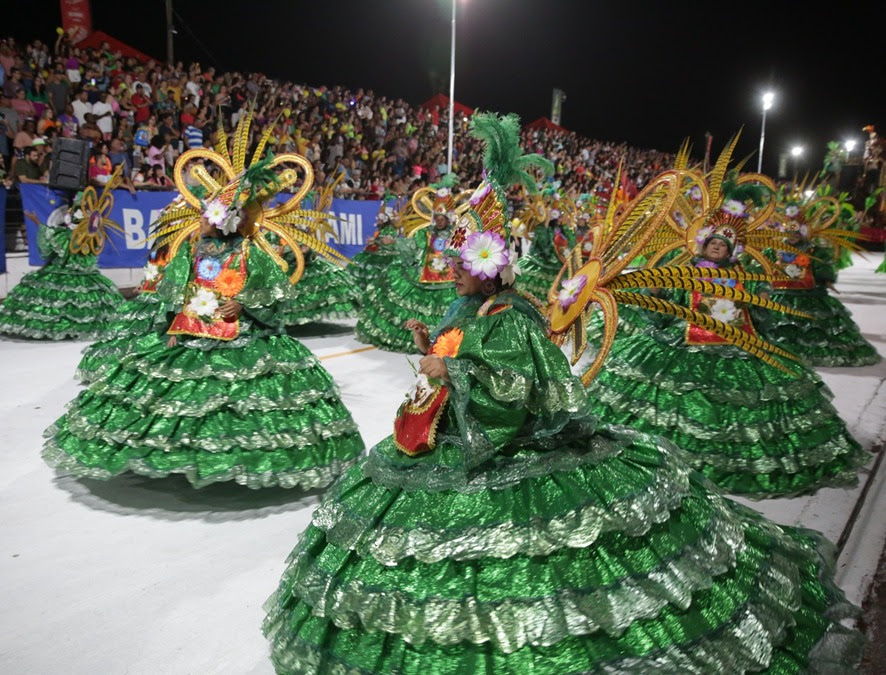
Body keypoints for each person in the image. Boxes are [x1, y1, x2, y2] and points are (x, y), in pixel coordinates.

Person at [262, 112, 864, 674]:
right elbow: (459, 343)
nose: (451, 268)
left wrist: (452, 373)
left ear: (493, 267)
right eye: (452, 258)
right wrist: (434, 341)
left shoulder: (514, 315)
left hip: (507, 442)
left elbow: (515, 389)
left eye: (462, 262)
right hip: (451, 433)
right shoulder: (467, 304)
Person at [44, 113, 364, 489]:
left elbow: (274, 293)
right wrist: (174, 323)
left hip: (241, 335)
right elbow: (176, 289)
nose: (202, 220)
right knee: (175, 392)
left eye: (209, 215)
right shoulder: (191, 252)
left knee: (237, 403)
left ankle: (230, 460)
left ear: (228, 220)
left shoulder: (251, 251)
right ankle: (176, 455)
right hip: (193, 331)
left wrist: (244, 306)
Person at [583, 170, 867, 498]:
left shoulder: (742, 276)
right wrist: (657, 293)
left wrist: (758, 302)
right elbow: (666, 303)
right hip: (684, 340)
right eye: (714, 242)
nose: (717, 247)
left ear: (731, 251)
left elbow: (759, 311)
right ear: (704, 245)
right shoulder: (686, 272)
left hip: (734, 343)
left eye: (723, 245)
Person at [760, 189, 880, 367]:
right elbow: (763, 266)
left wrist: (826, 279)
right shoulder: (774, 249)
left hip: (809, 294)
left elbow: (821, 266)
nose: (792, 238)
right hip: (781, 294)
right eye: (788, 234)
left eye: (795, 234)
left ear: (802, 233)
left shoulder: (812, 250)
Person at [354, 175, 467, 352]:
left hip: (449, 281)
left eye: (442, 217)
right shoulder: (425, 233)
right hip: (425, 276)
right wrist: (393, 242)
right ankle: (420, 339)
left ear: (448, 218)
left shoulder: (457, 235)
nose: (438, 220)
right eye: (436, 217)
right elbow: (412, 245)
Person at [0, 184, 124, 340]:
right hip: (80, 271)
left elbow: (52, 238)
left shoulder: (73, 233)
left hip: (73, 269)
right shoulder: (85, 232)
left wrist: (38, 223)